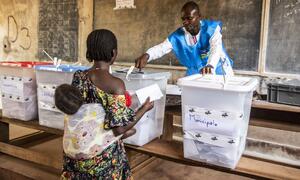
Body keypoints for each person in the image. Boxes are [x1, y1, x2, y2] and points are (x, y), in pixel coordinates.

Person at [55, 29, 154, 179]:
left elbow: (80, 113)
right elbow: (120, 128)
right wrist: (144, 108)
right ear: (113, 53)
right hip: (103, 160)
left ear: (89, 52)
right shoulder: (116, 85)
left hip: (77, 156)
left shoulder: (79, 77)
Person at [135, 1, 234, 76]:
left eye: (189, 18)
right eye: (183, 19)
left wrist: (210, 65)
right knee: (194, 98)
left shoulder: (211, 29)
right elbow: (161, 48)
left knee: (224, 96)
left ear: (199, 17)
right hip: (196, 71)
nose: (185, 22)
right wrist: (147, 55)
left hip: (218, 67)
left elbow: (216, 48)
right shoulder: (177, 37)